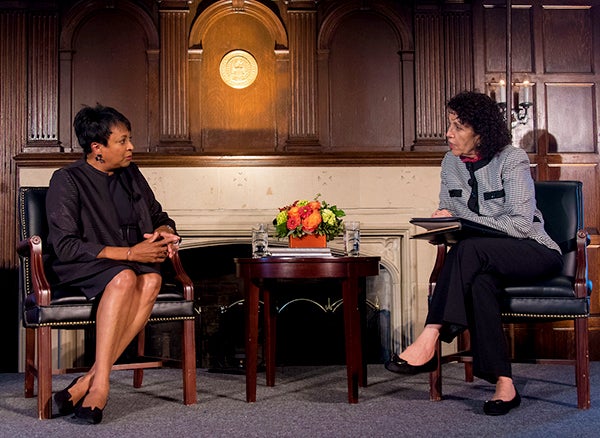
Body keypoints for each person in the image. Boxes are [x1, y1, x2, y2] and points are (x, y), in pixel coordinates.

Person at [384, 91, 563, 416]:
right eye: (449, 125)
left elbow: (521, 225)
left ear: (481, 131)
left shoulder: (512, 159)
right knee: (479, 283)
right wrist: (441, 219)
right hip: (482, 257)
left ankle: (431, 334)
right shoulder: (450, 162)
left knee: (469, 248)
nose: (448, 134)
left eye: (459, 126)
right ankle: (504, 385)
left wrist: (464, 220)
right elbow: (450, 207)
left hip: (534, 251)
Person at [46, 104, 181, 424]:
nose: (131, 146)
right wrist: (131, 255)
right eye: (122, 141)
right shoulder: (67, 180)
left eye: (129, 139)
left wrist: (165, 233)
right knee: (123, 278)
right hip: (84, 263)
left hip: (132, 263)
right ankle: (101, 386)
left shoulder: (131, 174)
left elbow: (160, 216)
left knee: (152, 280)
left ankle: (85, 382)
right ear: (97, 149)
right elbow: (65, 245)